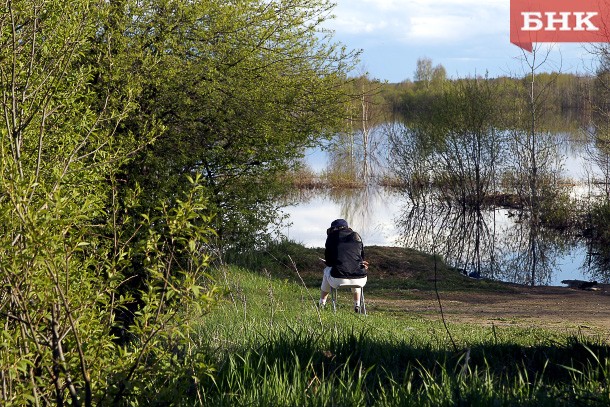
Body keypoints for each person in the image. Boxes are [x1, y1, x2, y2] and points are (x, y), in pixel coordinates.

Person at [319, 219, 369, 312]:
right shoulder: (356, 236)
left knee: (327, 270)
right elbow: (362, 259)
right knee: (355, 267)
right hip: (361, 279)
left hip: (338, 280)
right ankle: (357, 304)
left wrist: (326, 262)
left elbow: (329, 262)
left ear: (333, 229)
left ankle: (322, 303)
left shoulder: (331, 237)